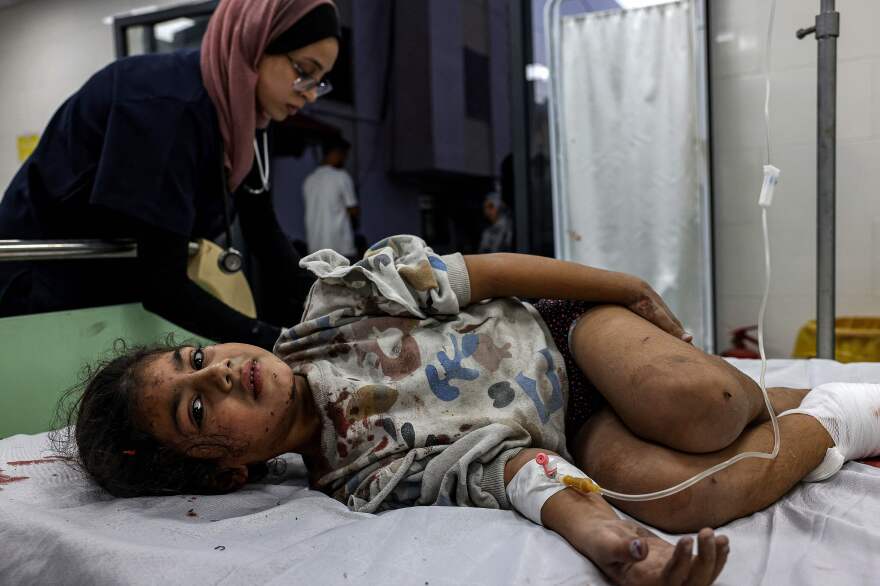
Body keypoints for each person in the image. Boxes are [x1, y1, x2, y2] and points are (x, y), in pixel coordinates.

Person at [57, 235, 880, 585]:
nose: (224, 375)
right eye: (197, 411)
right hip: (570, 432)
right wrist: (616, 544)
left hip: (566, 337)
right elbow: (510, 469)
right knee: (676, 496)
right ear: (229, 472)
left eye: (197, 360)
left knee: (694, 405)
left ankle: (759, 398)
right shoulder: (360, 480)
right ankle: (840, 414)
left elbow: (486, 273)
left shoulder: (338, 304)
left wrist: (625, 289)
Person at [0, 0, 341, 350]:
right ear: (256, 43)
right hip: (41, 288)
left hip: (114, 284)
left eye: (320, 81)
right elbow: (162, 284)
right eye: (304, 71)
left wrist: (338, 303)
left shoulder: (245, 117)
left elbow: (263, 231)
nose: (311, 93)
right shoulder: (166, 107)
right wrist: (277, 343)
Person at [302, 135, 359, 258]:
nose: (345, 160)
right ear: (335, 153)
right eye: (344, 155)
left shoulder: (309, 180)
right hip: (340, 249)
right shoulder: (341, 176)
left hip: (315, 249)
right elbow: (353, 211)